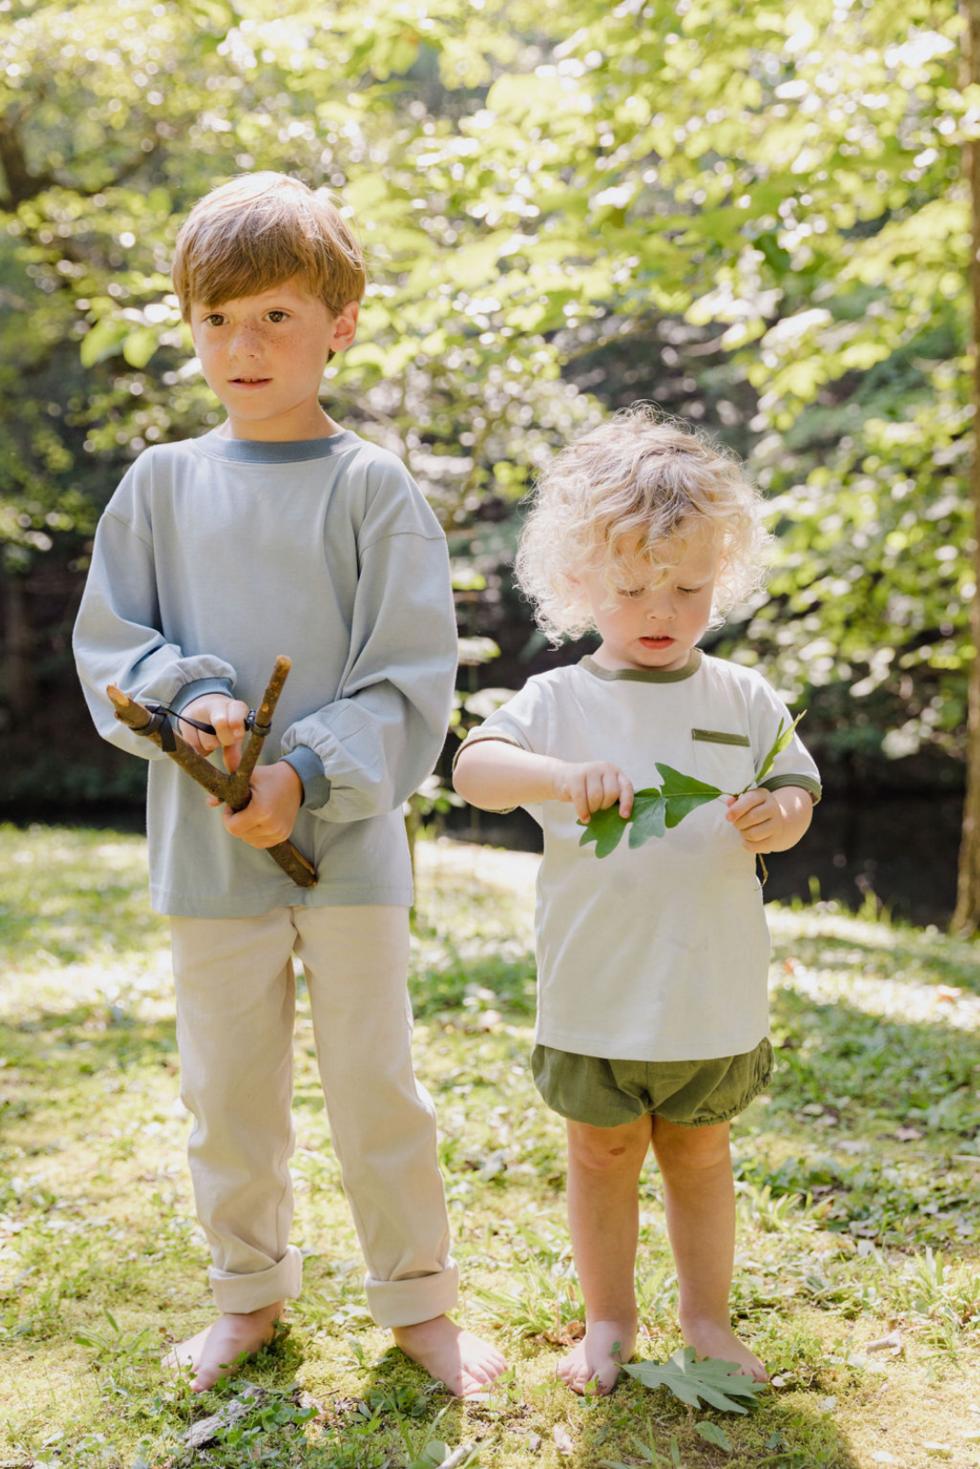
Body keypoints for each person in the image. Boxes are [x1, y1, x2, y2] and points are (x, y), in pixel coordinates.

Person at [72, 172, 506, 1397]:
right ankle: (246, 1295)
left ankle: (417, 1304)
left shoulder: (372, 489)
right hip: (206, 852)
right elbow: (114, 642)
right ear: (189, 325)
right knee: (226, 1090)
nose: (243, 345)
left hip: (351, 849)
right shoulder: (157, 483)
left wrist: (302, 772)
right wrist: (193, 699)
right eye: (217, 318)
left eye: (273, 315)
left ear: (340, 324)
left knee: (376, 1077)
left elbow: (407, 676)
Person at [453, 407, 820, 1394]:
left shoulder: (742, 697)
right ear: (575, 581)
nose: (659, 604)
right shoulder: (558, 699)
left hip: (707, 992)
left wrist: (775, 813)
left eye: (689, 584)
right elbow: (474, 768)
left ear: (725, 574)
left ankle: (704, 1316)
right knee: (601, 1149)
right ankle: (606, 1322)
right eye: (628, 585)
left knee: (700, 1155)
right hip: (595, 990)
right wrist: (552, 775)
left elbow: (799, 791)